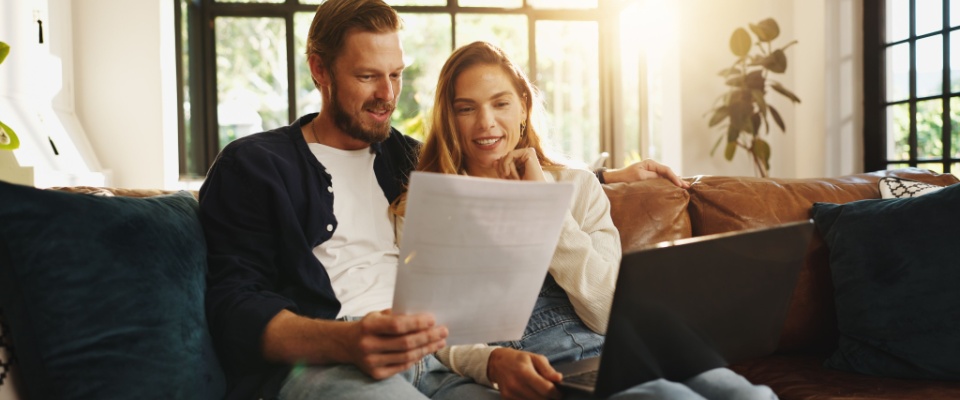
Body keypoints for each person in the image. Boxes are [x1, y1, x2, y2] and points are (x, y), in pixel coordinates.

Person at [200, 0, 691, 399]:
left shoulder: (408, 163)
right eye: (367, 76)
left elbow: (490, 165)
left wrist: (606, 176)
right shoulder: (257, 165)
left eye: (396, 75)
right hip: (334, 357)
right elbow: (234, 305)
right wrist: (348, 341)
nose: (386, 95)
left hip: (441, 360)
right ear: (319, 70)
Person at [401, 40, 776, 400]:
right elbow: (437, 336)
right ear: (449, 118)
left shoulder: (578, 187)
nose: (486, 122)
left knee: (747, 394)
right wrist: (492, 365)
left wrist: (545, 207)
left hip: (624, 347)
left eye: (500, 103)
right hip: (541, 364)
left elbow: (606, 312)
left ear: (523, 107)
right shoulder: (428, 208)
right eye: (466, 108)